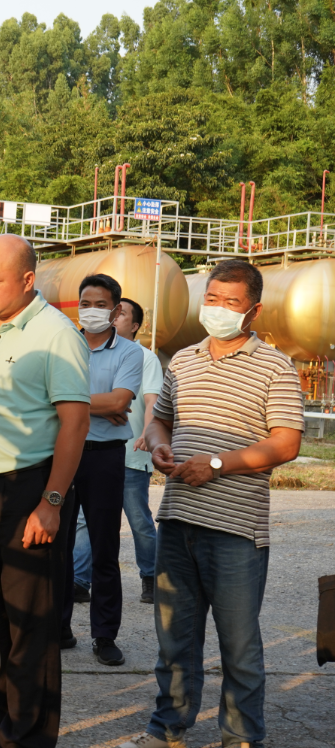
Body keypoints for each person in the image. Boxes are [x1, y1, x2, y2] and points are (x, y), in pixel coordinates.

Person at [120, 260, 303, 748]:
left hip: (237, 529)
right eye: (212, 299)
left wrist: (218, 464)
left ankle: (241, 736)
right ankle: (167, 728)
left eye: (231, 302)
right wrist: (159, 444)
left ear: (253, 311)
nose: (218, 309)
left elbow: (286, 443)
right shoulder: (183, 360)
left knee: (238, 644)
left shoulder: (275, 367)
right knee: (174, 639)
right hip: (178, 519)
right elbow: (160, 419)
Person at [0, 235, 91, 748]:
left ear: (28, 280)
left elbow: (75, 423)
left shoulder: (58, 335)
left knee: (32, 624)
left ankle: (27, 736)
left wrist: (51, 503)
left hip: (33, 487)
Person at [59, 275, 143, 668]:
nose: (91, 310)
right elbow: (45, 396)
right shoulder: (62, 344)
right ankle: (59, 627)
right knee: (56, 544)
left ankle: (104, 634)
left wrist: (68, 401)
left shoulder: (129, 352)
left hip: (104, 457)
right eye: (85, 303)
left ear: (116, 310)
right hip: (62, 453)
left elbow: (120, 402)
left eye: (100, 304)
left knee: (104, 547)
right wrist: (101, 405)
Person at [71, 298, 162, 606]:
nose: (112, 316)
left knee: (138, 519)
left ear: (134, 326)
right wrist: (105, 405)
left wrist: (147, 432)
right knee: (84, 521)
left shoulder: (144, 357)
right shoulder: (77, 349)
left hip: (131, 452)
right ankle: (79, 580)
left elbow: (150, 400)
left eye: (121, 314)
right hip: (90, 449)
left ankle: (151, 575)